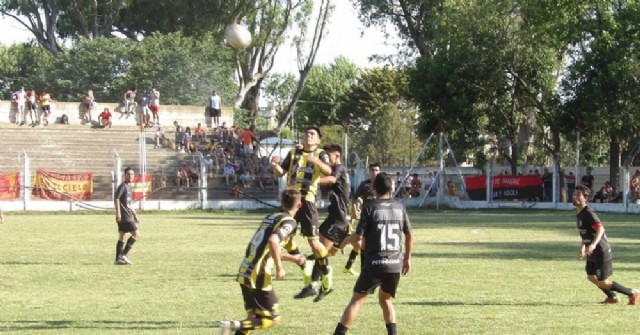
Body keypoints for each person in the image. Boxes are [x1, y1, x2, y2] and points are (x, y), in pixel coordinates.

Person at [332, 172, 413, 335]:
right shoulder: (400, 207)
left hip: (376, 262)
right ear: (392, 189)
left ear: (374, 189)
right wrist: (407, 259)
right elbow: (409, 234)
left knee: (356, 301)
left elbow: (358, 237)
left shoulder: (370, 207)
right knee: (385, 299)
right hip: (394, 264)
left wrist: (345, 241)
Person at [218, 188, 305, 335]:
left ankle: (233, 326)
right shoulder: (290, 222)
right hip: (258, 273)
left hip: (245, 269)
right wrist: (280, 267)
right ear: (300, 205)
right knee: (273, 319)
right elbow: (273, 242)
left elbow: (265, 249)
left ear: (282, 202)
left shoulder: (271, 217)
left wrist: (294, 257)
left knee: (252, 317)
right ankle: (231, 325)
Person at [271, 126, 333, 299]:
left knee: (314, 242)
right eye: (307, 133)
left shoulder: (321, 154)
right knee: (286, 238)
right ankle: (305, 267)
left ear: (318, 140)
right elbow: (280, 173)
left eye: (312, 134)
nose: (308, 135)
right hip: (291, 201)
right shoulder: (293, 153)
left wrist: (316, 162)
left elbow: (329, 171)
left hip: (307, 202)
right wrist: (274, 165)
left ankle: (327, 271)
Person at [309, 144, 362, 302]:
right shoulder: (334, 170)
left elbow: (331, 178)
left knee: (321, 251)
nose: (325, 158)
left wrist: (311, 181)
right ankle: (307, 266)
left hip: (337, 219)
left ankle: (315, 282)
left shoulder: (339, 168)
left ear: (337, 156)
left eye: (328, 155)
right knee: (327, 251)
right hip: (337, 217)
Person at [572, 185, 639, 305]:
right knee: (591, 276)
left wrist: (592, 245)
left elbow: (600, 229)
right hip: (592, 251)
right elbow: (587, 233)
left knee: (603, 282)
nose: (574, 197)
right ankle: (612, 297)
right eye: (574, 194)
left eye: (578, 195)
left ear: (586, 198)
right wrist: (583, 247)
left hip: (601, 250)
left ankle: (632, 293)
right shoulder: (580, 213)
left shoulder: (588, 213)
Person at [114, 167, 140, 265]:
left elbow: (129, 204)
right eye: (129, 174)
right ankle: (124, 254)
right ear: (124, 175)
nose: (131, 176)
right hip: (125, 216)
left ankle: (118, 259)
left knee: (122, 236)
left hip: (128, 215)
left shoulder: (129, 187)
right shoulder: (123, 186)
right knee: (136, 234)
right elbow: (116, 198)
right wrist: (118, 212)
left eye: (132, 174)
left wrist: (135, 215)